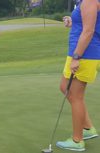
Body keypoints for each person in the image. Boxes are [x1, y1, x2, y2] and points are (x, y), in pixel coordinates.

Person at [56, 0, 100, 151]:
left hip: (84, 54)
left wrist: (77, 57)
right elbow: (83, 24)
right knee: (64, 88)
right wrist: (71, 21)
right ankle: (87, 128)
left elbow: (88, 31)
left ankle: (77, 140)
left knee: (76, 96)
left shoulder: (90, 1)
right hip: (79, 53)